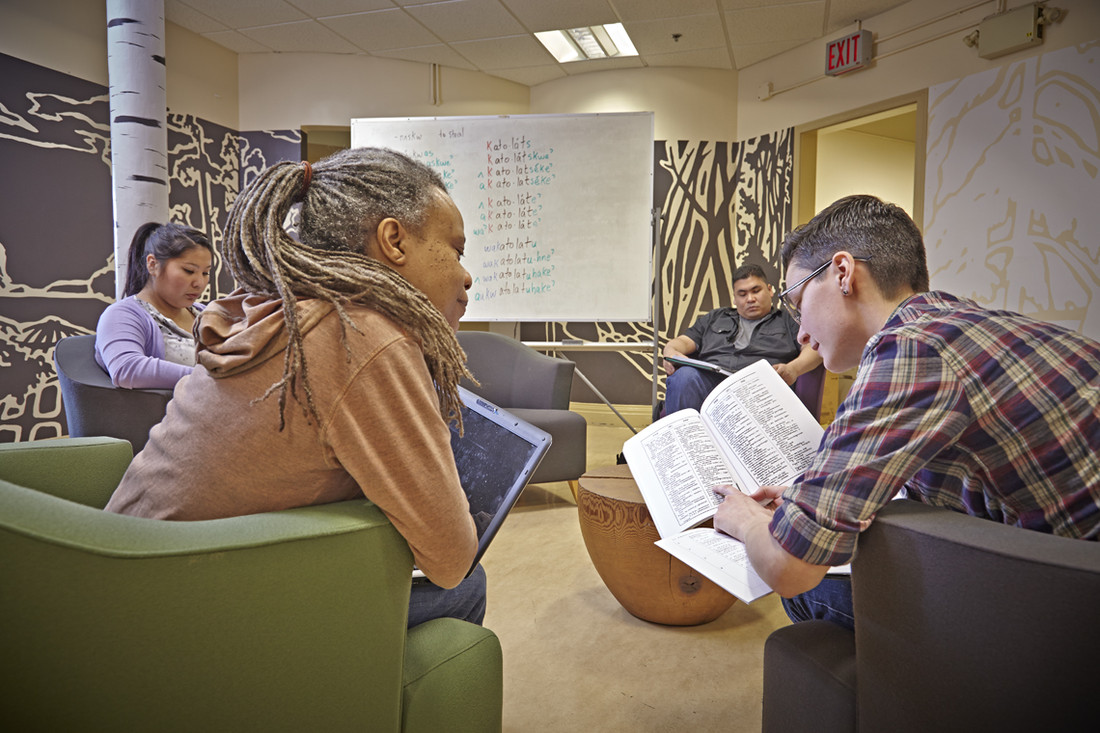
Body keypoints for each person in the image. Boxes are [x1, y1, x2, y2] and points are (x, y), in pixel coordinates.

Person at [105, 148, 485, 628]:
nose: (465, 275)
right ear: (393, 240)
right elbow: (450, 560)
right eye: (456, 250)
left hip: (117, 570)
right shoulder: (360, 333)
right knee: (469, 583)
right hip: (174, 609)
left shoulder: (280, 310)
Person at [712, 194, 1100, 630]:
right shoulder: (957, 322)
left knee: (811, 591)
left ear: (843, 273)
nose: (801, 332)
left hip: (1074, 607)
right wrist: (812, 496)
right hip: (1076, 559)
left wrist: (746, 521)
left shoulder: (910, 348)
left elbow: (789, 568)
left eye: (799, 304)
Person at [662, 263, 822, 414]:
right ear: (734, 298)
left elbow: (813, 349)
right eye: (742, 294)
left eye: (756, 291)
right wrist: (671, 350)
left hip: (760, 388)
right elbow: (682, 342)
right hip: (712, 386)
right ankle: (686, 441)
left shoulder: (788, 320)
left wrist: (793, 369)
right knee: (684, 377)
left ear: (769, 290)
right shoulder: (715, 318)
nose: (750, 299)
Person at [94, 222, 214, 389]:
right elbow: (126, 369)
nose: (200, 283)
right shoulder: (122, 315)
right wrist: (213, 381)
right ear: (152, 264)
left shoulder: (207, 313)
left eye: (205, 273)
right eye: (189, 271)